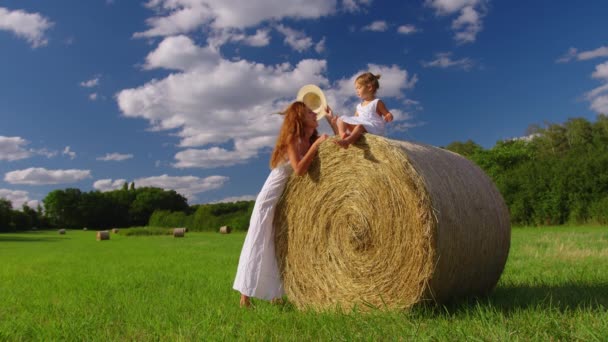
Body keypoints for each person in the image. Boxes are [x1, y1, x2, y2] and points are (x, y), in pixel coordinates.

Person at [233, 101, 329, 308]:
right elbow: (299, 170)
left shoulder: (309, 139)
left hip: (285, 201)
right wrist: (315, 146)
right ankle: (245, 296)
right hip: (269, 200)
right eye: (310, 112)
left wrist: (329, 120)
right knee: (258, 242)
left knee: (277, 245)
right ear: (300, 117)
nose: (315, 115)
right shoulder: (293, 139)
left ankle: (275, 294)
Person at [333, 72, 393, 148]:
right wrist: (340, 122)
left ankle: (347, 141)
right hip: (361, 126)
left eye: (359, 88)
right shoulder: (359, 106)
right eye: (356, 88)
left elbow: (386, 113)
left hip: (373, 127)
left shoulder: (377, 102)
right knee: (341, 119)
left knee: (360, 126)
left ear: (369, 87)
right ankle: (343, 135)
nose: (357, 91)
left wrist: (388, 115)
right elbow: (354, 119)